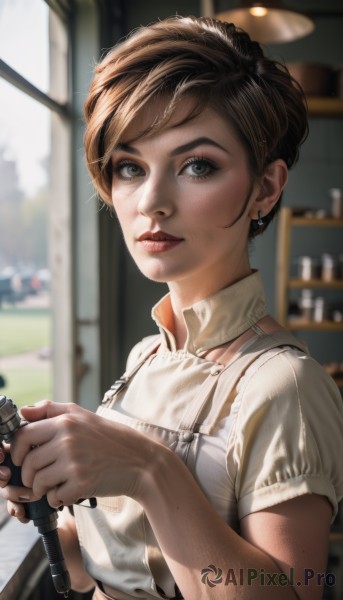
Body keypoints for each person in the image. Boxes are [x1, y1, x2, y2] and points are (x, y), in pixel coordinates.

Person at [1, 15, 343, 600]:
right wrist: (48, 492)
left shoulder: (284, 386)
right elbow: (106, 570)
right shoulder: (149, 355)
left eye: (197, 165)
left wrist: (148, 471)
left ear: (265, 187)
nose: (151, 202)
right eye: (130, 167)